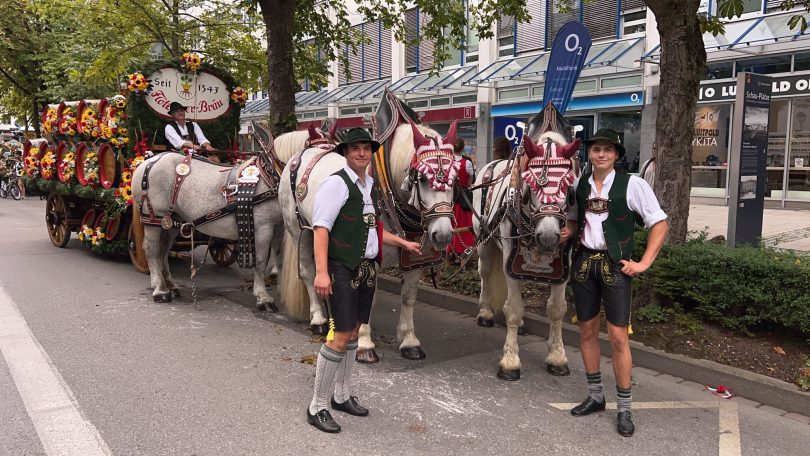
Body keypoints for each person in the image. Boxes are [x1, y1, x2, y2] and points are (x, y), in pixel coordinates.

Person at [307, 128, 422, 434]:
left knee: (355, 332)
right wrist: (321, 272)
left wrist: (403, 243)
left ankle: (341, 395)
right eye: (355, 148)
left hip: (367, 268)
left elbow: (372, 228)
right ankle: (317, 406)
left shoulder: (368, 185)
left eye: (366, 148)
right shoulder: (336, 184)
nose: (361, 153)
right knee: (340, 334)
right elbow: (321, 229)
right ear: (346, 152)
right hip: (342, 267)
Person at [560, 128, 668, 437]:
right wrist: (567, 231)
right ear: (590, 154)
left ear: (617, 155)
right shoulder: (579, 185)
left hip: (616, 266)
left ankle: (624, 408)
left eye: (608, 149)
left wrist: (644, 263)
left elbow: (659, 223)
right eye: (596, 149)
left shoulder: (633, 185)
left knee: (618, 338)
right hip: (584, 265)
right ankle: (596, 396)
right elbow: (574, 218)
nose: (601, 154)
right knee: (587, 332)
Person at [448, 138, 475, 262]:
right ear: (463, 148)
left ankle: (450, 251)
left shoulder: (447, 161)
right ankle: (462, 253)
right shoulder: (467, 163)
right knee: (464, 226)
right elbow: (469, 183)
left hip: (449, 200)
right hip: (463, 200)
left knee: (450, 224)